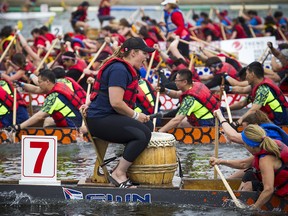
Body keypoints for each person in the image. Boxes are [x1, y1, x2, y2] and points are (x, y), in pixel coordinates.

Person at [82, 37, 154, 188]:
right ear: (133, 53)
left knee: (148, 127)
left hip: (108, 117)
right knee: (142, 135)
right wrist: (135, 115)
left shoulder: (123, 68)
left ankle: (124, 168)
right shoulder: (119, 69)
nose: (146, 57)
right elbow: (116, 102)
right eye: (144, 53)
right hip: (100, 120)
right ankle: (119, 173)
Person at [210, 124, 288, 210]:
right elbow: (243, 164)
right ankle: (239, 204)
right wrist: (220, 161)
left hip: (283, 191)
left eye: (244, 143)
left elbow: (269, 190)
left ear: (250, 146)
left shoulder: (265, 160)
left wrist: (254, 208)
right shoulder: (266, 145)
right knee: (249, 176)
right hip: (279, 184)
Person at [9, 69, 83, 130]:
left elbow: (39, 116)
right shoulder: (60, 83)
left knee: (47, 122)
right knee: (48, 121)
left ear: (47, 82)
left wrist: (18, 127)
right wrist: (21, 84)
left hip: (73, 125)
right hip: (76, 119)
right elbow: (36, 89)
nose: (38, 84)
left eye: (40, 82)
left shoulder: (53, 97)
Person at [229, 61, 288, 125]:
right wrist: (226, 109)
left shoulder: (263, 89)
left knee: (245, 123)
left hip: (278, 121)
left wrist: (238, 122)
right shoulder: (256, 85)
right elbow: (242, 103)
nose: (246, 77)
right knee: (245, 122)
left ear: (252, 74)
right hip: (271, 119)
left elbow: (253, 110)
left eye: (247, 74)